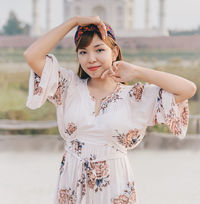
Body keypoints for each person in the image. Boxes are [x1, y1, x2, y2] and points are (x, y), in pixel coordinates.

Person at [24, 16, 196, 204]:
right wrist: (74, 22)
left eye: (99, 49)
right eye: (83, 52)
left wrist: (137, 71)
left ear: (114, 52)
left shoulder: (134, 96)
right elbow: (32, 55)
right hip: (71, 186)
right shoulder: (68, 87)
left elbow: (187, 89)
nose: (91, 59)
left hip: (114, 188)